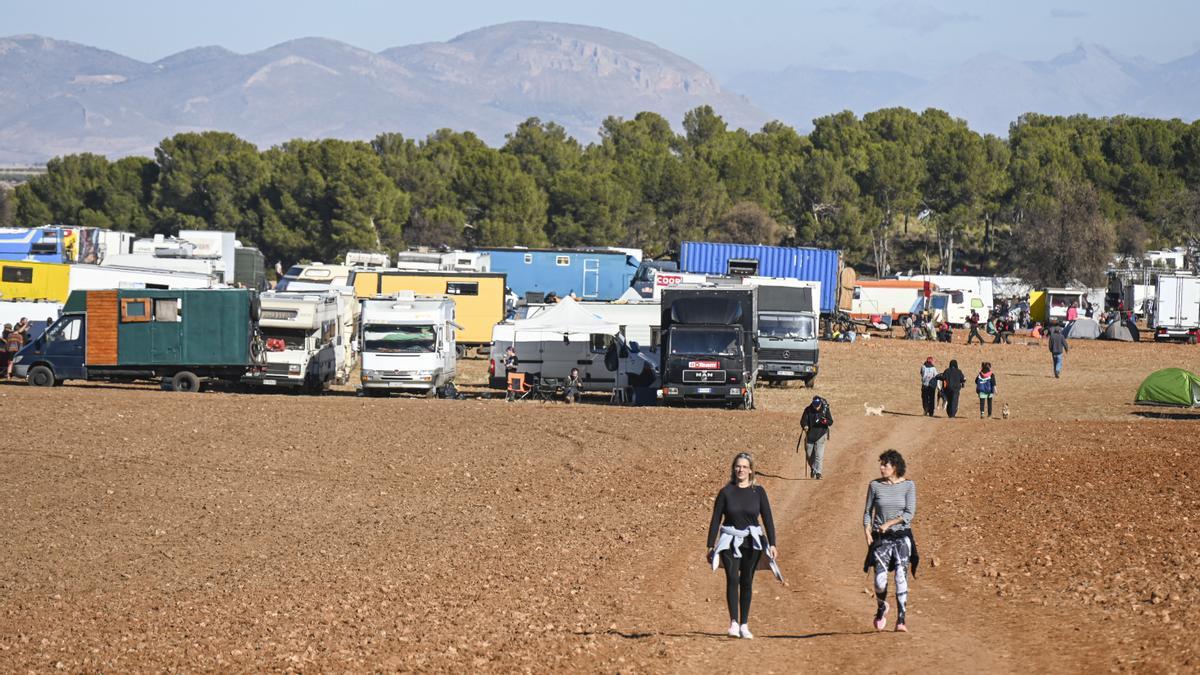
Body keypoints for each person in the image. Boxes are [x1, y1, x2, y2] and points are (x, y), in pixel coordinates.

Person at [706, 452, 778, 640]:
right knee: (732, 578)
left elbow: (767, 518)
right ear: (733, 469)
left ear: (751, 470)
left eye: (745, 467)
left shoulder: (758, 492)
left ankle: (744, 624)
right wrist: (710, 545)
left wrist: (772, 543)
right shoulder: (726, 492)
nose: (741, 470)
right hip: (730, 539)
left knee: (747, 581)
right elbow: (716, 519)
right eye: (738, 466)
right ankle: (733, 623)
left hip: (752, 541)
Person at [863, 449, 917, 632]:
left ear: (894, 467)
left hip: (902, 536)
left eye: (885, 465)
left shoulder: (909, 486)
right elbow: (867, 512)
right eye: (881, 464)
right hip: (880, 538)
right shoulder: (874, 486)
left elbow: (909, 513)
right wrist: (867, 531)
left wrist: (890, 523)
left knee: (901, 575)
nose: (881, 468)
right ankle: (882, 607)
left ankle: (901, 619)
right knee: (879, 580)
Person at [798, 395, 834, 479]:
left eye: (818, 406)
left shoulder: (825, 409)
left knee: (819, 455)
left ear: (820, 404)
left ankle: (818, 473)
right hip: (810, 435)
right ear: (812, 404)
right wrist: (805, 425)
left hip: (821, 434)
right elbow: (803, 421)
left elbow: (831, 421)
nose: (816, 407)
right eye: (815, 406)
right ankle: (813, 469)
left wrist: (824, 421)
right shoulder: (808, 410)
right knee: (809, 455)